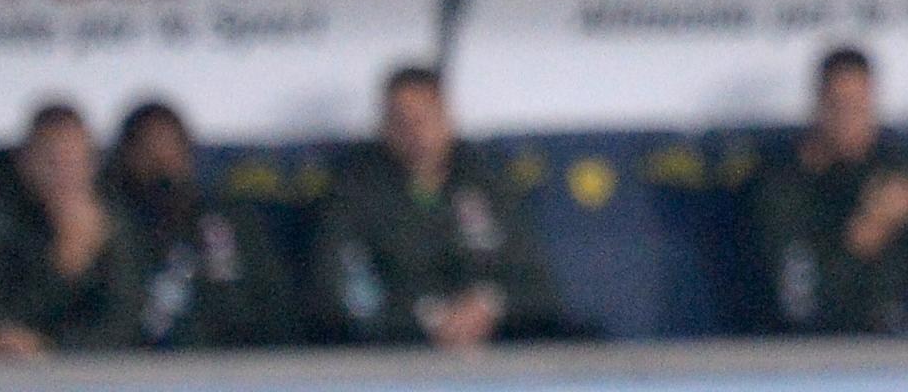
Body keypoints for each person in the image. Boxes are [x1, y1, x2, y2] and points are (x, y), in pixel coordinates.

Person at [311, 64, 572, 347]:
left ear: (447, 119)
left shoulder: (487, 181)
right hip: (399, 352)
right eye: (402, 122)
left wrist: (488, 305)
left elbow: (536, 283)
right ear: (384, 127)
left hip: (500, 348)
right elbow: (341, 293)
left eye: (425, 119)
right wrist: (429, 317)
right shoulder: (354, 192)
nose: (416, 133)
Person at [747, 46, 908, 337]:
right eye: (838, 107)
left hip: (896, 349)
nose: (849, 121)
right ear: (818, 105)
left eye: (859, 108)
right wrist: (867, 233)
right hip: (812, 352)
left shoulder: (893, 170)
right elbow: (800, 304)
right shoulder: (785, 188)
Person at [108, 101, 299, 349]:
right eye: (149, 150)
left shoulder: (230, 219)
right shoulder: (111, 226)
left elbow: (273, 300)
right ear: (127, 157)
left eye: (171, 148)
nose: (162, 162)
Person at [0, 103, 144, 355]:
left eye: (75, 162)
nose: (65, 176)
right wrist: (61, 265)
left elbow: (125, 321)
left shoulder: (112, 220)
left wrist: (54, 348)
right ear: (25, 162)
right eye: (52, 162)